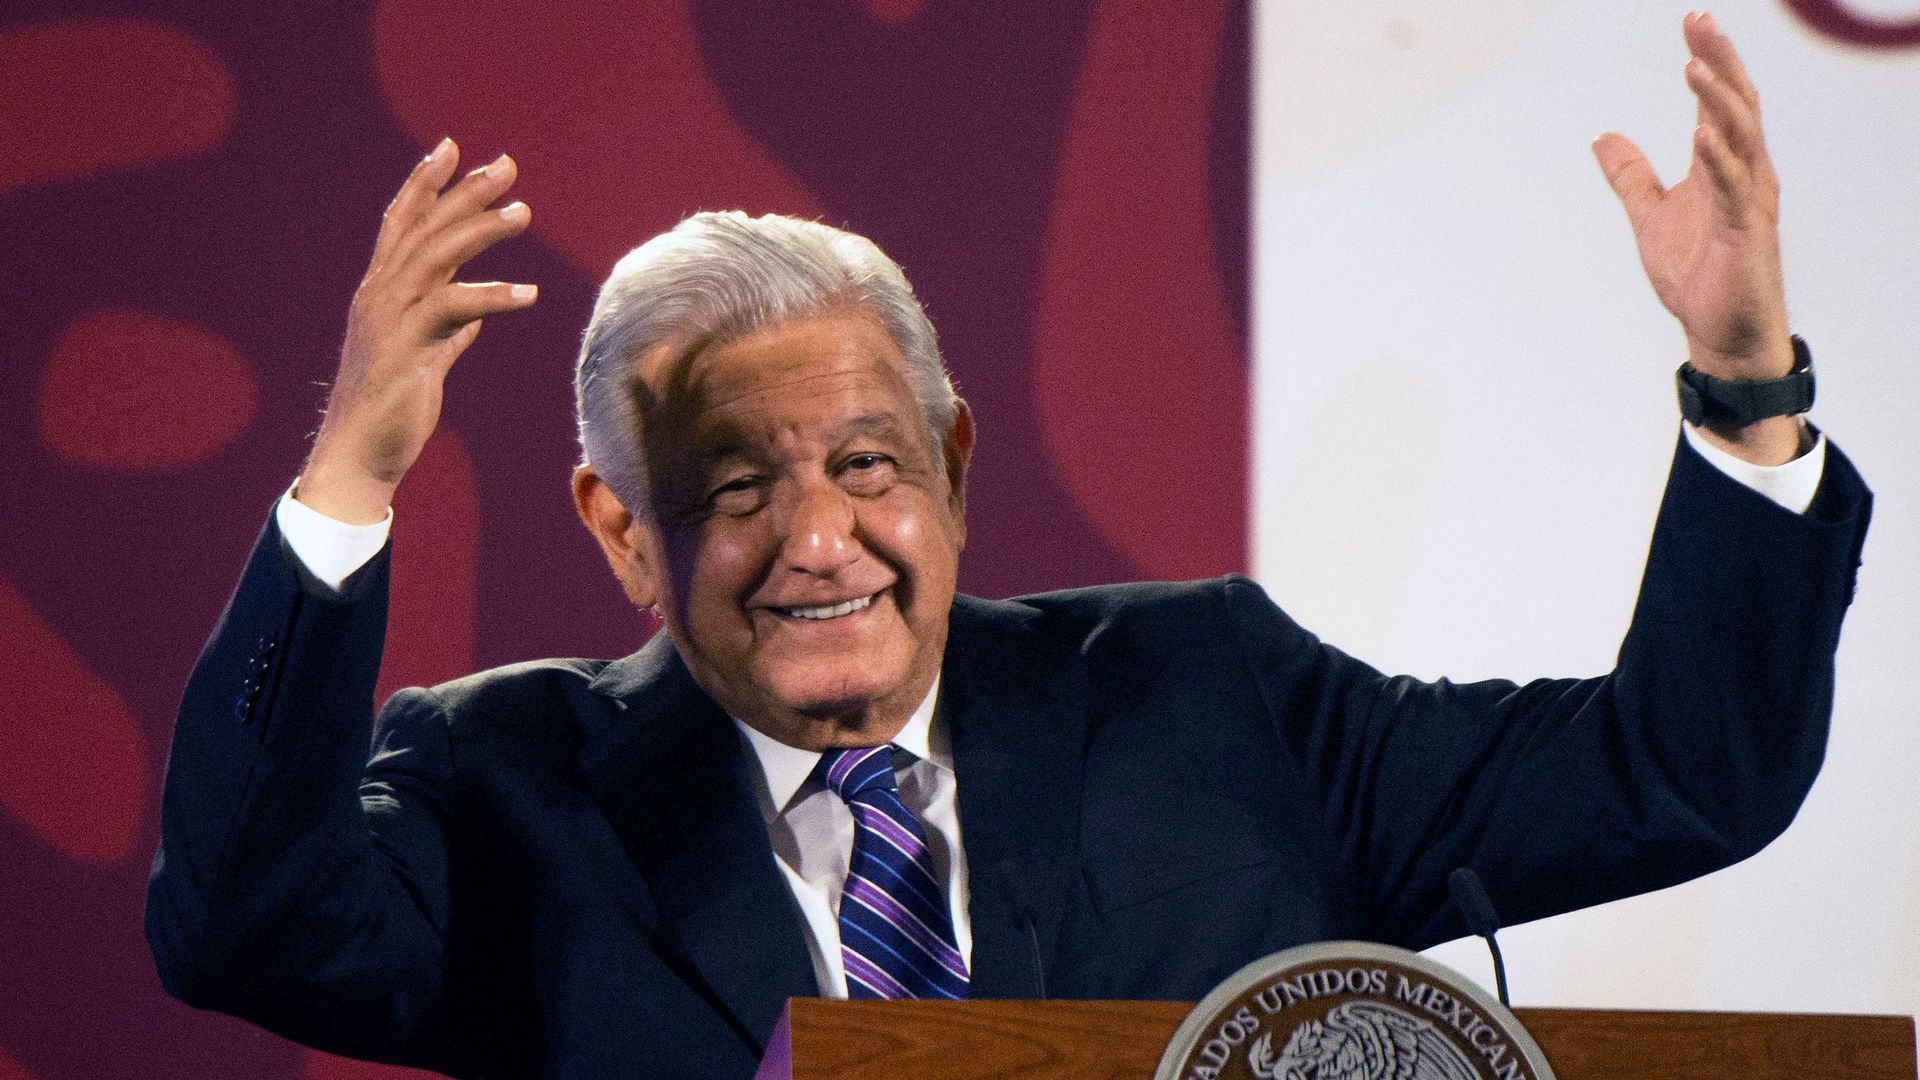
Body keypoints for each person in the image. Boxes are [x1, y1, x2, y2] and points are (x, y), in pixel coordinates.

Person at [147, 13, 1870, 1080]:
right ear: (621, 527)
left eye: (869, 462)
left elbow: (1685, 768)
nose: (821, 538)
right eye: (735, 488)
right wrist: (349, 482)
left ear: (956, 465)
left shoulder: (1214, 692)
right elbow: (243, 930)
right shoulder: (505, 787)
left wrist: (1743, 384)